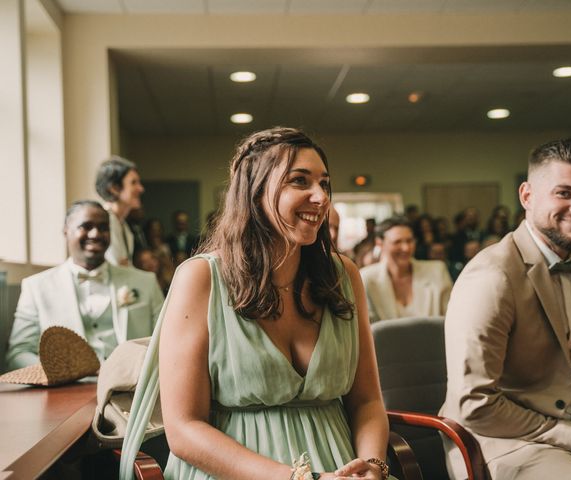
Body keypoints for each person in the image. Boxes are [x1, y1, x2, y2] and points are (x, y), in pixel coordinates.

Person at [120, 128, 391, 480]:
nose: (321, 197)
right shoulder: (201, 279)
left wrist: (373, 466)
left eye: (324, 184)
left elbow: (367, 400)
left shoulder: (344, 276)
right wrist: (298, 478)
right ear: (256, 191)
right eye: (300, 181)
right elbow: (184, 427)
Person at [440, 138, 571, 480]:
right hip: (504, 441)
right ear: (527, 196)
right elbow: (474, 404)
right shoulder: (492, 275)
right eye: (564, 193)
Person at [6, 201, 164, 370]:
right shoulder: (37, 287)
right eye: (86, 226)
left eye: (103, 228)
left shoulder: (145, 282)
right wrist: (58, 373)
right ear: (66, 231)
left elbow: (166, 341)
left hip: (133, 391)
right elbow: (18, 353)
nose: (95, 234)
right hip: (63, 392)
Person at [360, 216, 452, 322]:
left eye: (409, 241)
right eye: (397, 242)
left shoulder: (437, 271)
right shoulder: (366, 278)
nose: (406, 248)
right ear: (380, 243)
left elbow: (451, 317)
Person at [95, 156, 145, 266]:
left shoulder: (122, 225)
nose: (141, 189)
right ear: (114, 188)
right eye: (133, 183)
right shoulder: (104, 224)